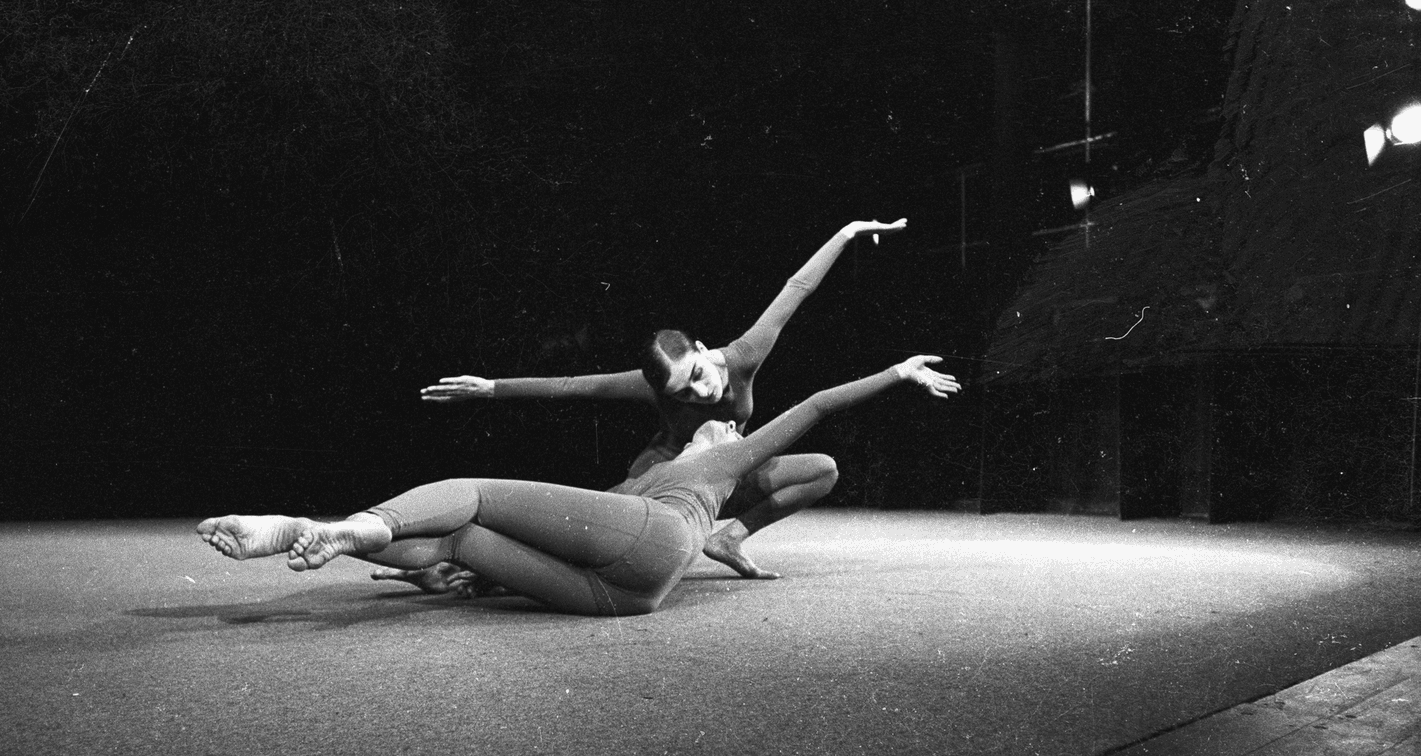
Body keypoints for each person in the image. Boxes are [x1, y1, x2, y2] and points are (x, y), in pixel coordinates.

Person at [198, 355, 960, 617]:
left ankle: (350, 521)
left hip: (655, 545)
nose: (725, 426)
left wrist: (898, 373)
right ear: (687, 427)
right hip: (628, 596)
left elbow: (819, 413)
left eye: (728, 427)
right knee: (463, 538)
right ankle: (316, 536)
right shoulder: (651, 471)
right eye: (716, 423)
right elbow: (577, 525)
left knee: (473, 487)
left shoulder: (717, 463)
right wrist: (449, 573)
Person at [419, 219, 907, 580]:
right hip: (661, 482)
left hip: (724, 475)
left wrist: (847, 233)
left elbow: (795, 289)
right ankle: (461, 563)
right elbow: (572, 385)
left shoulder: (743, 356)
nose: (701, 392)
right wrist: (491, 387)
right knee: (587, 541)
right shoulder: (649, 386)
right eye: (684, 394)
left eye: (697, 376)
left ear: (700, 348)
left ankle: (730, 540)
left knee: (822, 469)